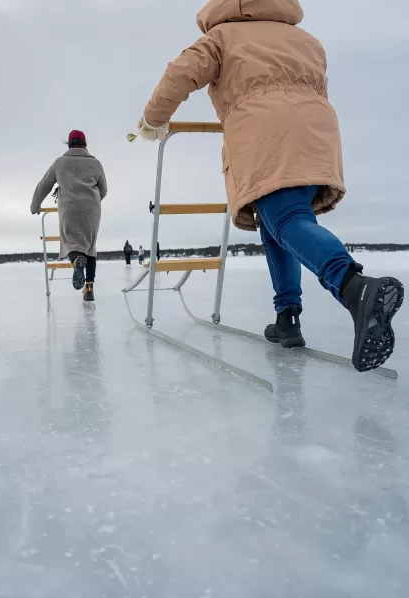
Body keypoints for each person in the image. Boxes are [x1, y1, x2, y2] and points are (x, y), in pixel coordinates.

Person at [136, 0, 403, 373]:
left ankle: (354, 286)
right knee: (278, 223)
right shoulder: (305, 39)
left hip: (264, 135)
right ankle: (287, 316)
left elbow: (181, 73)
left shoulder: (222, 36)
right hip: (316, 135)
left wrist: (152, 121)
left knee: (286, 220)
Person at [31, 130, 108, 302]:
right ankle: (89, 289)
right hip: (92, 210)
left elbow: (44, 185)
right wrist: (93, 201)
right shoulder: (95, 163)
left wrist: (35, 206)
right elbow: (103, 190)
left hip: (69, 209)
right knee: (90, 247)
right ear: (85, 144)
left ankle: (76, 261)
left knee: (70, 243)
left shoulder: (60, 162)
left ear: (69, 144)